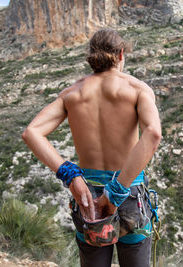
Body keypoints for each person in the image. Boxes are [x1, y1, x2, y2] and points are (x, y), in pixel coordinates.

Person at [22, 28, 161, 267]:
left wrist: (71, 175)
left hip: (88, 196)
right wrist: (117, 190)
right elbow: (153, 133)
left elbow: (31, 132)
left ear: (92, 56)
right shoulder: (138, 89)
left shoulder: (72, 93)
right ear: (120, 54)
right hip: (128, 194)